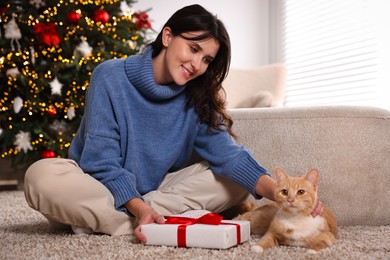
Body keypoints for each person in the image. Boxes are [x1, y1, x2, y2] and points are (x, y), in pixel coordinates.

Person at [24, 4, 321, 244]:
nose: (198, 65)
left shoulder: (198, 94)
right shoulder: (110, 77)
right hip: (95, 188)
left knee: (233, 181)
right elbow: (101, 162)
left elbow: (230, 156)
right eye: (193, 49)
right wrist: (139, 207)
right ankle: (147, 221)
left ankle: (123, 223)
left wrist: (285, 197)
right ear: (167, 37)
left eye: (207, 60)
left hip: (154, 193)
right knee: (42, 176)